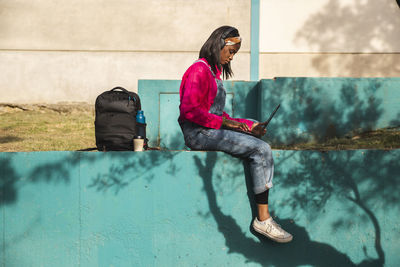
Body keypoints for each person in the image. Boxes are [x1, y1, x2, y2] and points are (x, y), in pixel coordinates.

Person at [178, 26, 292, 243]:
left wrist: (251, 126)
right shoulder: (198, 71)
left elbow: (220, 115)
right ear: (218, 44)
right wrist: (226, 123)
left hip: (210, 129)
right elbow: (189, 111)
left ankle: (263, 217)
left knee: (258, 140)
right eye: (230, 52)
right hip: (198, 133)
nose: (231, 58)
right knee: (261, 149)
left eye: (234, 54)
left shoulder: (213, 74)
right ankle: (263, 220)